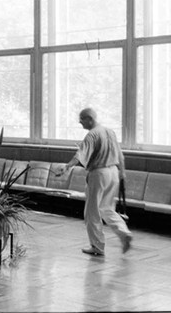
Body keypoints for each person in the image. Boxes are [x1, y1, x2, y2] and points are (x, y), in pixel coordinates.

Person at [58, 107, 132, 256]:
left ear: (90, 119)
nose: (80, 122)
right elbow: (120, 155)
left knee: (92, 212)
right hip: (114, 172)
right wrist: (122, 173)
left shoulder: (92, 135)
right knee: (107, 208)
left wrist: (66, 167)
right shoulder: (110, 132)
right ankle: (124, 233)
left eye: (82, 119)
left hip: (99, 173)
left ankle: (97, 247)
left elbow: (80, 155)